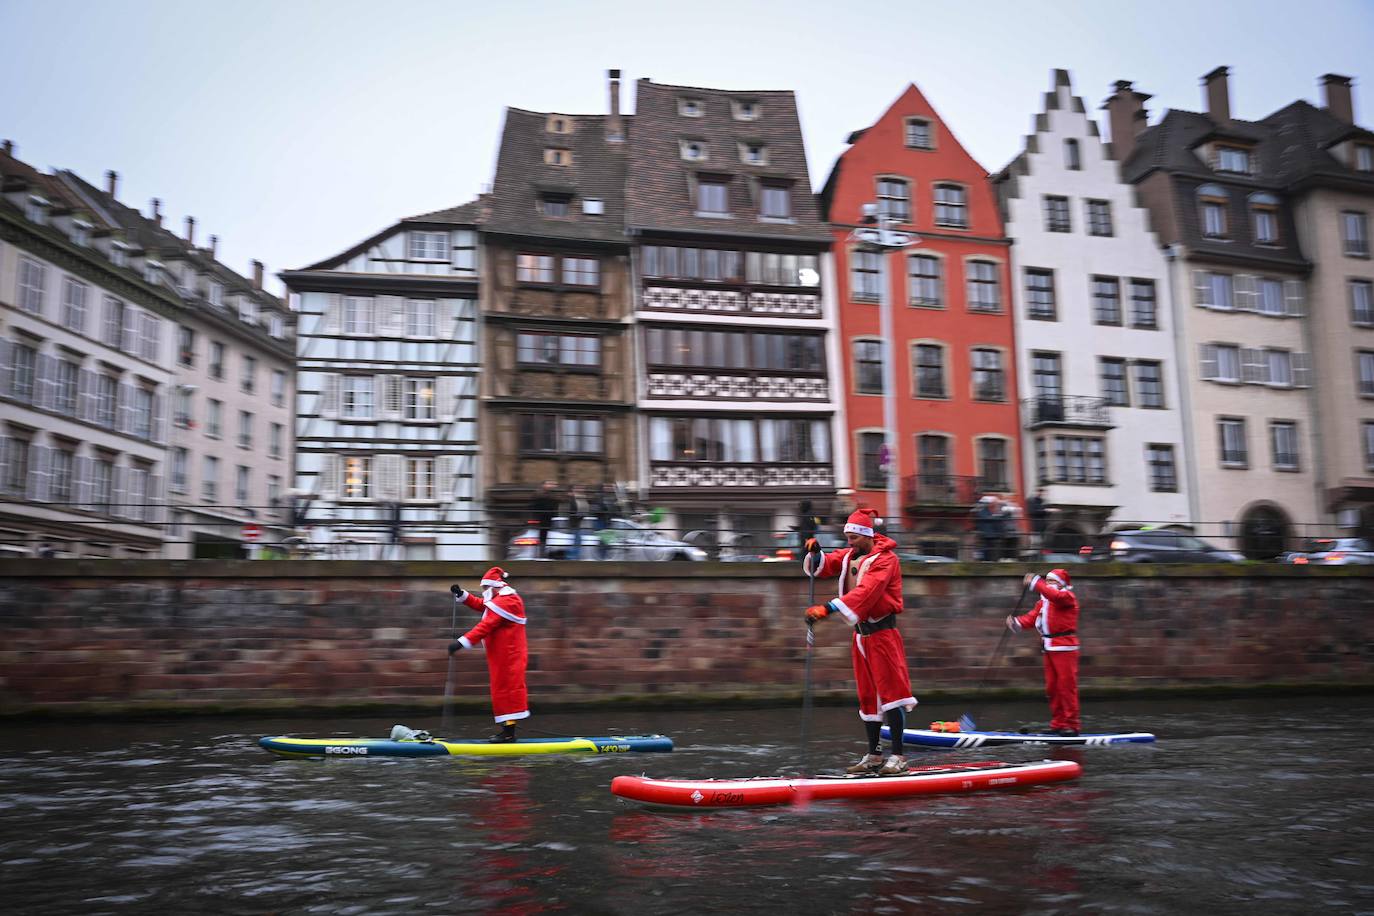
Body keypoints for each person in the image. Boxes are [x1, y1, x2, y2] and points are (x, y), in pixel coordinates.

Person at [802, 508, 917, 776]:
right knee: (869, 698)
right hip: (861, 637)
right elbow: (826, 564)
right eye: (848, 537)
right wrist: (815, 552)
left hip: (883, 636)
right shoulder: (850, 555)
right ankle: (875, 755)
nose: (849, 542)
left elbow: (868, 592)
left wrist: (828, 608)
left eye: (854, 537)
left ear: (867, 536)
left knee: (892, 696)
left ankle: (898, 757)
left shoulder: (886, 560)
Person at [449, 567, 529, 742]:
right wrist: (463, 595)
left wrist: (461, 643)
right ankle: (507, 732)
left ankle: (509, 734)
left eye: (485, 588)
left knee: (507, 690)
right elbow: (482, 605)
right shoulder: (499, 598)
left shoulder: (508, 601)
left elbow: (486, 625)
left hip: (510, 655)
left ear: (495, 586)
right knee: (501, 690)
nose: (484, 592)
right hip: (502, 655)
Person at [1006, 568, 1081, 737]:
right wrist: (1016, 622)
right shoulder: (1043, 602)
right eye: (1046, 581)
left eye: (1052, 581)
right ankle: (1058, 724)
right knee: (1052, 688)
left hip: (1065, 647)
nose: (1048, 584)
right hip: (1049, 647)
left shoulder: (1067, 597)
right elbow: (1032, 618)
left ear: (1061, 584)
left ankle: (1072, 725)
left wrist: (1035, 582)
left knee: (1066, 687)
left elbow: (1055, 596)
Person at [529, 480, 559, 559]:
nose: (550, 485)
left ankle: (542, 553)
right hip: (541, 517)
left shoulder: (550, 494)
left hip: (547, 518)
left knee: (544, 536)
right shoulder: (539, 494)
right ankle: (540, 554)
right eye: (548, 484)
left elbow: (554, 505)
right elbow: (535, 506)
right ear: (543, 485)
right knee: (541, 536)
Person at [565, 485, 590, 560]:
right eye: (578, 488)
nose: (581, 489)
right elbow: (571, 510)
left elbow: (585, 509)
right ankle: (573, 557)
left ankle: (574, 556)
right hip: (575, 522)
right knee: (577, 540)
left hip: (580, 522)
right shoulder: (572, 498)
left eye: (582, 488)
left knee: (577, 540)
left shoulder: (582, 498)